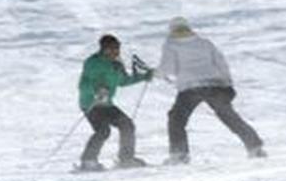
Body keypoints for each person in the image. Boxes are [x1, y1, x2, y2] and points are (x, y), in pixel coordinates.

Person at [156, 16, 266, 164]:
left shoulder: (171, 45)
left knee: (176, 118)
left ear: (171, 30)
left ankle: (179, 153)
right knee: (229, 116)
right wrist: (228, 83)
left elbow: (168, 68)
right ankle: (255, 147)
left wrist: (156, 74)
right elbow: (221, 63)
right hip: (215, 85)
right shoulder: (204, 43)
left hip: (191, 88)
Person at [76, 34, 153, 172]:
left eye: (116, 49)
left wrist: (144, 77)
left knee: (127, 125)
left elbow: (123, 81)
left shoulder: (116, 64)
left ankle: (126, 159)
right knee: (103, 131)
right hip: (91, 103)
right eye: (110, 49)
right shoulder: (93, 62)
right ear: (102, 49)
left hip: (107, 104)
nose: (114, 52)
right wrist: (96, 91)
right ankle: (88, 161)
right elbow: (84, 84)